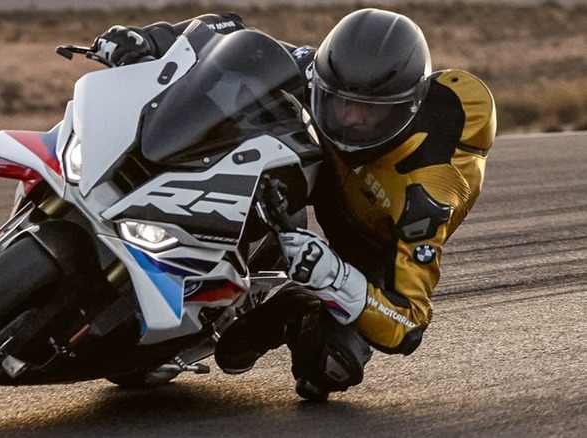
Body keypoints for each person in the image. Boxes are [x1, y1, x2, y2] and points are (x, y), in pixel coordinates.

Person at [89, 8, 496, 401]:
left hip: (371, 250)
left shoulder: (429, 192)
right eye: (338, 101)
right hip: (320, 175)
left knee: (327, 369)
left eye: (369, 111)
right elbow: (231, 41)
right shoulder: (316, 73)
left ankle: (294, 307)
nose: (349, 119)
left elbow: (409, 323)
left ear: (408, 108)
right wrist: (148, 40)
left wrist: (334, 276)